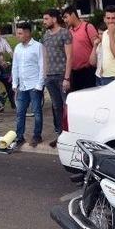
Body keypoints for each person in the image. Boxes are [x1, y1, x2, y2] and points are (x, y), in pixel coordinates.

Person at [41, 8, 72, 147]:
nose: (44, 22)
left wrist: (67, 78)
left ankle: (70, 135)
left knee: (67, 106)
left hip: (61, 76)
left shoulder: (65, 33)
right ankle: (60, 135)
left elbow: (70, 56)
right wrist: (44, 74)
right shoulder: (45, 35)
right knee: (56, 107)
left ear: (54, 19)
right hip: (50, 77)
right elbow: (45, 56)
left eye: (46, 19)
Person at [12, 21, 44, 147]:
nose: (17, 36)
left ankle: (37, 136)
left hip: (34, 86)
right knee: (20, 113)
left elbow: (42, 66)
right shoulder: (17, 48)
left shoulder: (38, 46)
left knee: (37, 112)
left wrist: (39, 85)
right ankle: (19, 137)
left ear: (27, 33)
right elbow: (15, 66)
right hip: (22, 86)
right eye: (17, 33)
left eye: (20, 33)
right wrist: (15, 83)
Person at [62, 5, 99, 92]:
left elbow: (97, 46)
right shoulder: (68, 32)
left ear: (73, 15)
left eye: (66, 17)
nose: (64, 20)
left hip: (89, 71)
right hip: (74, 73)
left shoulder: (88, 27)